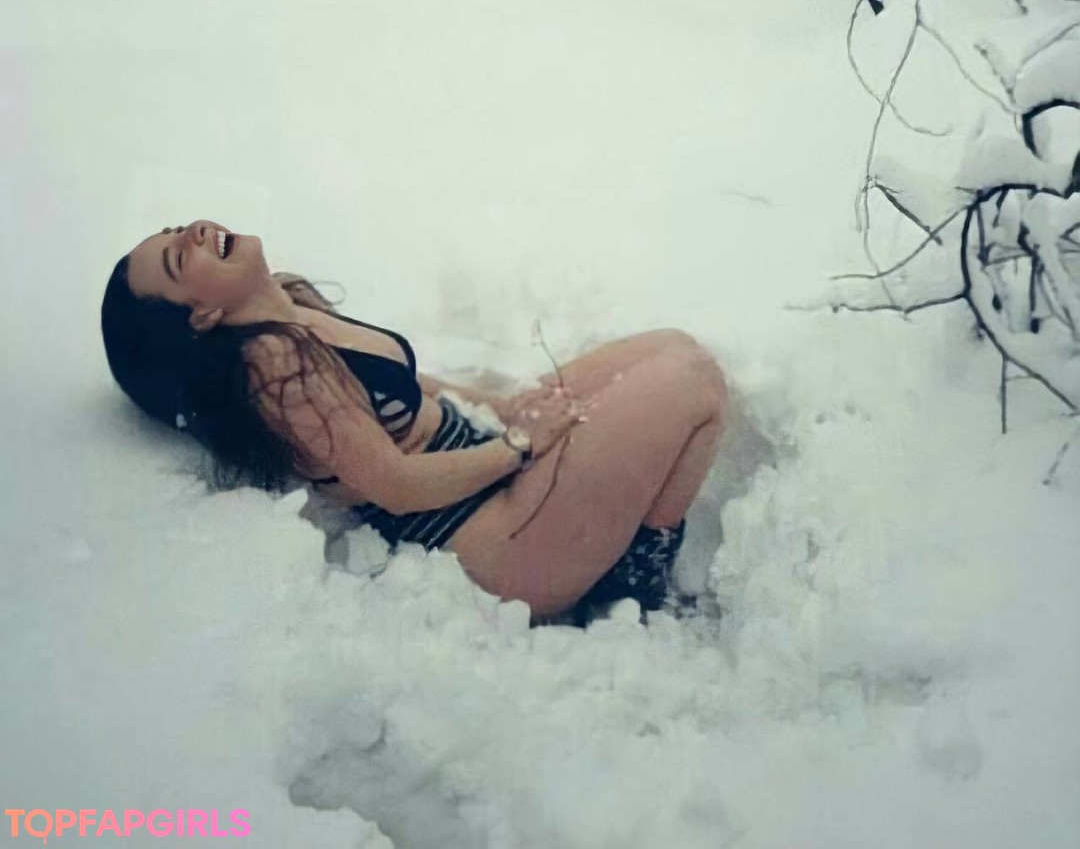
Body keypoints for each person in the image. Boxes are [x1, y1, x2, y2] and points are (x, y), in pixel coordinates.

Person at [101, 220, 728, 624]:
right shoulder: (274, 367)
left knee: (672, 348)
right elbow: (395, 484)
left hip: (489, 469)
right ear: (202, 316)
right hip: (499, 544)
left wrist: (500, 407)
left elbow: (392, 384)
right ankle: (627, 581)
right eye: (179, 258)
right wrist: (516, 446)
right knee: (691, 379)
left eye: (176, 230)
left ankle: (631, 561)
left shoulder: (286, 301)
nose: (194, 232)